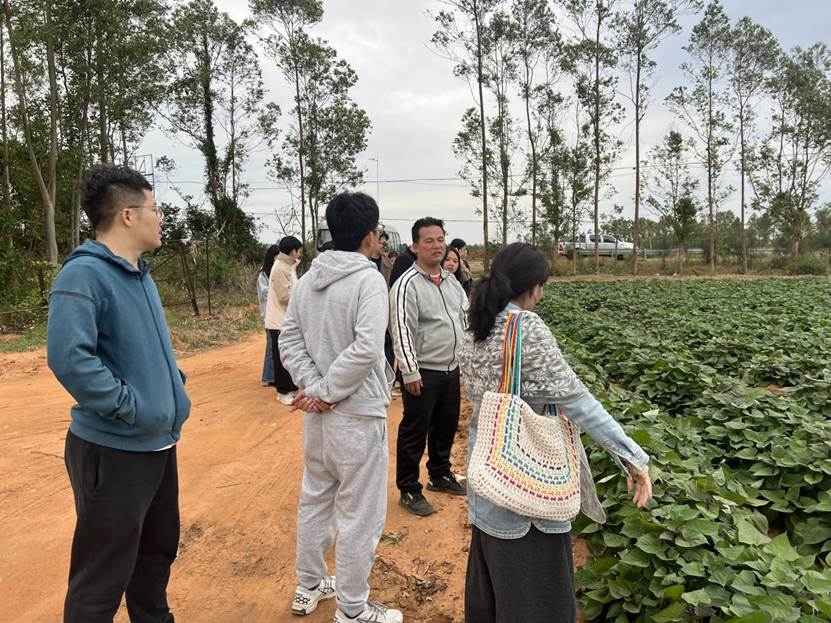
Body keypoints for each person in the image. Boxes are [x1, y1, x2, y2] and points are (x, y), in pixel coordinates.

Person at [458, 242, 653, 623]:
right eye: (542, 286)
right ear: (532, 286)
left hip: (490, 475)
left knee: (495, 588)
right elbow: (578, 401)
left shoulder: (475, 325)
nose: (542, 295)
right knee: (534, 598)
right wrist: (633, 458)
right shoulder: (524, 328)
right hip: (528, 484)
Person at [47, 164, 191, 623]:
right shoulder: (84, 274)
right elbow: (70, 358)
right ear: (128, 214)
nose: (160, 218)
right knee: (103, 573)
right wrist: (132, 407)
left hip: (157, 443)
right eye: (155, 208)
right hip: (113, 449)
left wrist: (172, 390)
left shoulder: (139, 273)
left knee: (155, 554)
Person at [279, 192, 403, 623]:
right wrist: (327, 391)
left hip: (320, 416)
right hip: (356, 413)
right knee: (359, 516)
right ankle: (352, 610)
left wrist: (314, 390)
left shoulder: (311, 276)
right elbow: (367, 349)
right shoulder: (368, 279)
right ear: (371, 235)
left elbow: (289, 340)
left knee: (315, 499)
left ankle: (309, 585)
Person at [389, 217, 467, 517]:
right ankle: (409, 488)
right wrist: (409, 371)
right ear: (415, 246)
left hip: (451, 367)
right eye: (429, 241)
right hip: (423, 372)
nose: (437, 246)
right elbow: (401, 329)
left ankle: (440, 474)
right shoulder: (406, 285)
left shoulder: (451, 283)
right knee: (415, 429)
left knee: (446, 423)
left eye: (440, 239)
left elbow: (465, 319)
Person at [265, 236, 302, 405]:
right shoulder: (280, 268)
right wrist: (302, 297)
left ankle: (291, 387)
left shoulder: (288, 266)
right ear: (293, 251)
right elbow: (284, 296)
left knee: (290, 355)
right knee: (281, 358)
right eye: (298, 250)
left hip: (287, 319)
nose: (299, 253)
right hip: (279, 321)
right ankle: (283, 391)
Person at [257, 244, 280, 386]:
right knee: (272, 346)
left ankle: (274, 376)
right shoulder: (263, 274)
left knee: (276, 346)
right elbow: (264, 292)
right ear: (272, 256)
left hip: (278, 313)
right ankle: (268, 377)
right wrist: (278, 288)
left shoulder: (276, 271)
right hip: (269, 313)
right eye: (277, 255)